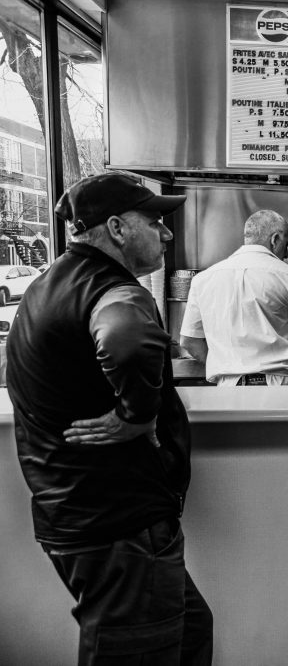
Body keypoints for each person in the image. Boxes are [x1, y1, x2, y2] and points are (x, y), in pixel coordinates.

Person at [6, 172, 213, 664]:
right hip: (117, 523)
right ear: (117, 228)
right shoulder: (116, 290)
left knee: (190, 629)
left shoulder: (47, 285)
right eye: (154, 222)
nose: (166, 233)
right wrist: (137, 415)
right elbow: (126, 339)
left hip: (85, 513)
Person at [179, 209, 288, 386]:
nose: (286, 254)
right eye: (287, 244)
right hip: (281, 385)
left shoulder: (202, 279)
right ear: (275, 239)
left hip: (228, 388)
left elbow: (189, 341)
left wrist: (225, 367)